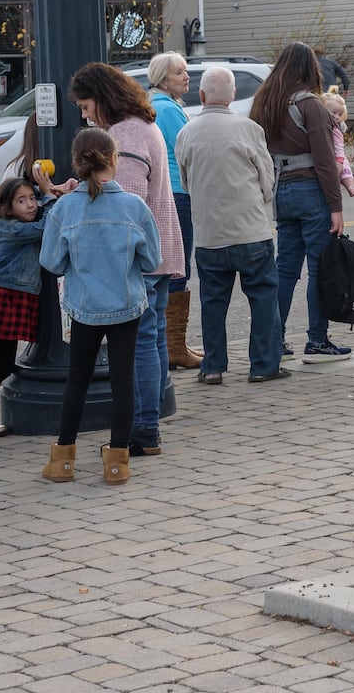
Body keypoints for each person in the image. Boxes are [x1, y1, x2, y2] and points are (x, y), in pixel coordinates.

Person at [68, 62, 183, 457]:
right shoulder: (140, 124)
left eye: (86, 106)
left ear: (103, 97)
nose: (85, 115)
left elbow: (125, 204)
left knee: (141, 343)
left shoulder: (126, 134)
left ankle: (143, 428)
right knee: (152, 337)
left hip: (140, 259)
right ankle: (151, 418)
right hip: (159, 250)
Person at [39, 128, 161, 486]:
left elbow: (52, 263)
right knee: (123, 379)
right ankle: (117, 461)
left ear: (77, 162)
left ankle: (63, 458)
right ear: (114, 159)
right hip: (125, 302)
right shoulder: (134, 207)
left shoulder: (65, 208)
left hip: (85, 305)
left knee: (77, 377)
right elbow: (151, 259)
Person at [174, 67, 285, 386]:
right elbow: (267, 178)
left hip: (209, 234)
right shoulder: (249, 129)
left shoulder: (187, 133)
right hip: (250, 230)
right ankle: (263, 364)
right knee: (263, 297)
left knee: (212, 302)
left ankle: (213, 366)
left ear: (203, 96)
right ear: (233, 95)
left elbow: (185, 181)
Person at [249, 43, 351, 360]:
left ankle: (274, 339)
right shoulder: (311, 105)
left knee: (285, 269)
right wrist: (336, 206)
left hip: (281, 190)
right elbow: (324, 160)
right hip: (310, 190)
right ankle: (317, 341)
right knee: (319, 267)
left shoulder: (265, 103)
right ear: (311, 70)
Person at [0, 173, 73, 438]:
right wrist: (47, 194)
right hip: (4, 300)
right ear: (7, 208)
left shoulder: (17, 223)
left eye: (32, 198)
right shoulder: (11, 227)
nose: (31, 204)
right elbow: (48, 226)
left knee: (1, 362)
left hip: (14, 298)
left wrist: (49, 194)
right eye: (22, 201)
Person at [146, 52, 200, 371]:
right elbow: (187, 151)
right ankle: (173, 346)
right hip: (178, 191)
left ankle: (173, 343)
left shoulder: (161, 105)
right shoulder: (168, 109)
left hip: (170, 190)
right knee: (178, 265)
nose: (186, 76)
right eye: (180, 72)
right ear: (163, 78)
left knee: (171, 265)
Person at [321, 89, 354, 197]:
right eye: (333, 113)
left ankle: (350, 186)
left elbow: (339, 145)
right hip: (327, 154)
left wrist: (339, 160)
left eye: (340, 114)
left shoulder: (336, 129)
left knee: (345, 170)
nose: (337, 117)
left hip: (337, 155)